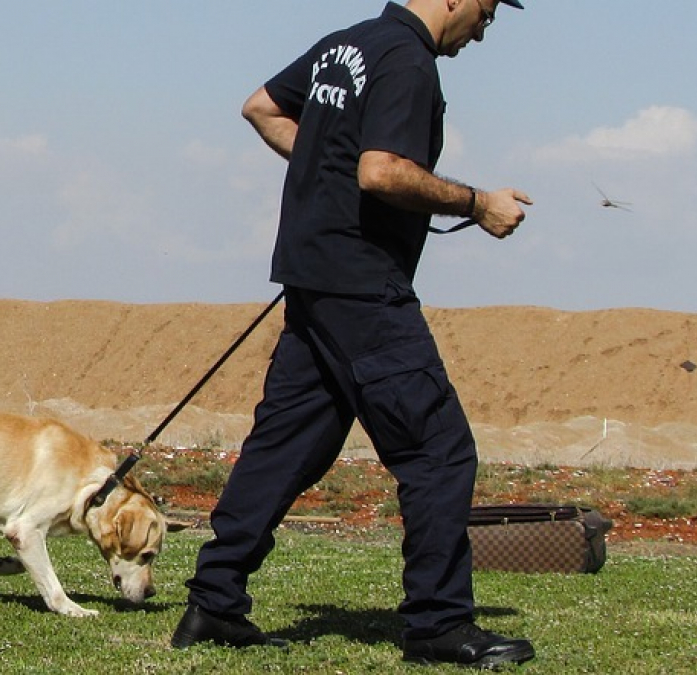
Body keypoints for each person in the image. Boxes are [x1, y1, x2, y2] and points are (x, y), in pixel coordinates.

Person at [172, 0, 535, 668]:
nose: (483, 31)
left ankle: (214, 601)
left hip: (314, 276)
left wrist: (323, 167)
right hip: (365, 287)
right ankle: (438, 623)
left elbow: (260, 106)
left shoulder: (347, 44)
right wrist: (479, 204)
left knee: (286, 446)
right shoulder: (408, 60)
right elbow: (381, 170)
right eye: (486, 12)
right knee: (438, 450)